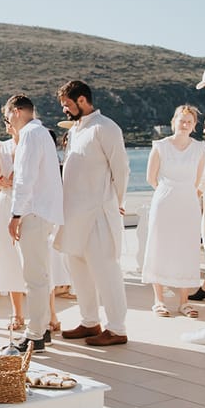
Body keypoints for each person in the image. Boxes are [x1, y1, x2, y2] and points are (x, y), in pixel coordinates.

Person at [54, 79, 130, 347]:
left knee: (106, 270)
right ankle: (89, 321)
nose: (64, 110)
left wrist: (116, 202)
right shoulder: (76, 130)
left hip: (98, 212)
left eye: (67, 105)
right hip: (73, 214)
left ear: (83, 101)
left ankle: (117, 328)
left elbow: (121, 170)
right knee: (77, 268)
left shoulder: (106, 128)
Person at [3, 95, 64, 353]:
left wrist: (15, 215)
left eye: (7, 119)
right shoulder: (42, 134)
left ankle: (35, 335)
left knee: (34, 277)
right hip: (46, 214)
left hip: (34, 214)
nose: (9, 124)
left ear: (16, 112)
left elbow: (24, 179)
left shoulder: (29, 134)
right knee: (41, 274)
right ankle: (42, 330)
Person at [142, 105, 205, 318]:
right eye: (181, 120)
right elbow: (151, 178)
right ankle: (158, 300)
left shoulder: (200, 148)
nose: (185, 124)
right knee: (159, 246)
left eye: (189, 121)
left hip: (188, 204)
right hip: (165, 201)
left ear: (194, 125)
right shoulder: (160, 146)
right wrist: (168, 191)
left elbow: (198, 180)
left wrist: (185, 194)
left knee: (187, 249)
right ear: (174, 121)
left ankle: (184, 301)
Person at [0, 109, 26, 331]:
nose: (9, 124)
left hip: (30, 203)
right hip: (6, 202)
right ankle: (17, 313)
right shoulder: (1, 147)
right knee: (9, 257)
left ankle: (49, 314)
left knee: (36, 258)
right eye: (6, 121)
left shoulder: (34, 143)